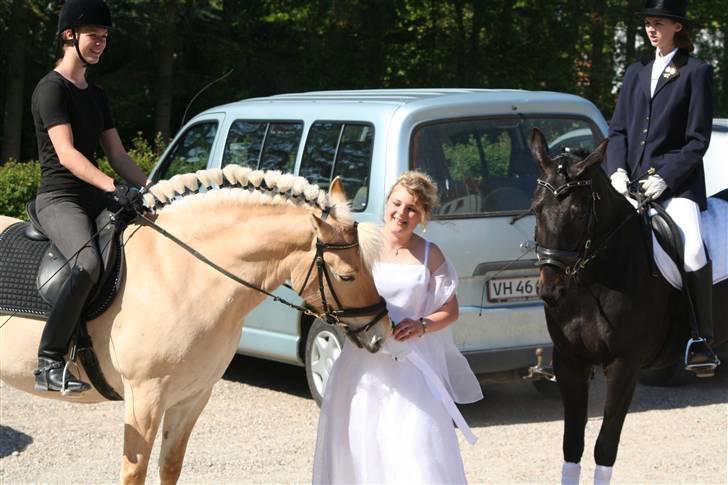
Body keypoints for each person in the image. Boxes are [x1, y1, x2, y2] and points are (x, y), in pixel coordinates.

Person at [312, 171, 483, 484]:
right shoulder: (362, 244)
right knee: (362, 450)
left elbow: (451, 309)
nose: (401, 213)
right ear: (387, 203)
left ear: (422, 216)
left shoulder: (431, 255)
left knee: (415, 453)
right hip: (362, 368)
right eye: (397, 203)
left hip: (410, 371)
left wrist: (420, 326)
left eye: (412, 209)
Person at [31, 0, 148, 393]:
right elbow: (67, 154)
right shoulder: (50, 89)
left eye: (105, 38)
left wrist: (152, 190)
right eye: (94, 36)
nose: (101, 44)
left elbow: (117, 154)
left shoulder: (96, 93)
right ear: (69, 35)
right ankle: (49, 360)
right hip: (60, 198)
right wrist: (114, 188)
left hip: (95, 194)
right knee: (88, 263)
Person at [607, 0, 719, 374]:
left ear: (677, 28)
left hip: (677, 188)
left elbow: (696, 140)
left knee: (691, 252)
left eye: (658, 24)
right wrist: (616, 170)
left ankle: (702, 340)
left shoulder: (696, 72)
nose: (651, 30)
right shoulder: (636, 71)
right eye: (648, 24)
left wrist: (666, 178)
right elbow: (619, 129)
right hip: (631, 182)